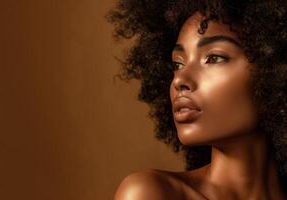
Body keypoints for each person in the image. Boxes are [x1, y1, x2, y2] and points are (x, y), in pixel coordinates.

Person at [106, 0, 287, 199]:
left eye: (214, 58)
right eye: (177, 64)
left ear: (276, 69)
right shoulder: (150, 193)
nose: (180, 80)